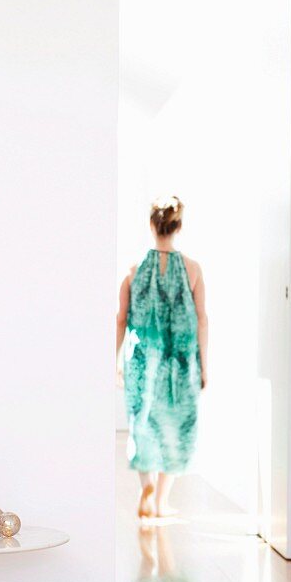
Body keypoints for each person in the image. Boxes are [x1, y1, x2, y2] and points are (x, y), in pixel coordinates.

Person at [116, 196, 208, 518]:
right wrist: (204, 365)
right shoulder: (193, 269)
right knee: (176, 424)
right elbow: (201, 318)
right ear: (178, 226)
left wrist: (115, 359)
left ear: (152, 225)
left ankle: (146, 489)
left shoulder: (133, 269)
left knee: (143, 423)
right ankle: (162, 500)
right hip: (180, 361)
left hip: (142, 359)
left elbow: (120, 317)